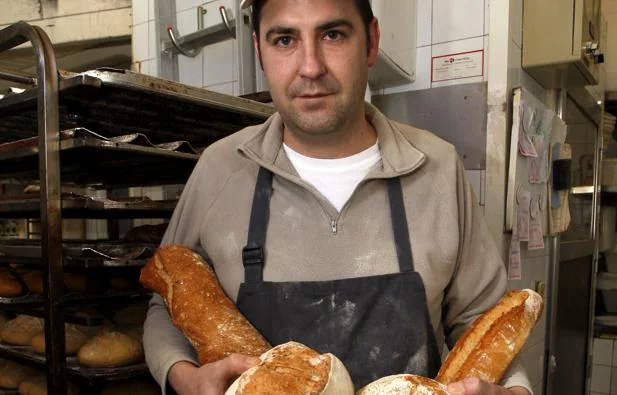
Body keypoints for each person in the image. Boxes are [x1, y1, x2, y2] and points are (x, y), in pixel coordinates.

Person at [143, 0, 533, 394]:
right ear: (260, 51)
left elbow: (486, 323)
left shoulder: (437, 167)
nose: (311, 67)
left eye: (333, 35)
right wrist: (182, 376)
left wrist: (514, 391)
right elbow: (169, 303)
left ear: (371, 43)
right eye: (284, 40)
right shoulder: (220, 169)